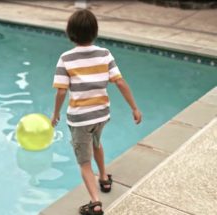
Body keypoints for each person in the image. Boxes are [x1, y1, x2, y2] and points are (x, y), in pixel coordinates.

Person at [51, 9, 142, 215]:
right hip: (101, 115)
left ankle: (95, 203)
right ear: (95, 31)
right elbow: (119, 81)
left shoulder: (66, 58)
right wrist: (134, 107)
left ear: (70, 33)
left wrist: (55, 114)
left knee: (84, 163)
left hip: (80, 118)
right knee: (97, 143)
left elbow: (61, 91)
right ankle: (103, 178)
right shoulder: (104, 54)